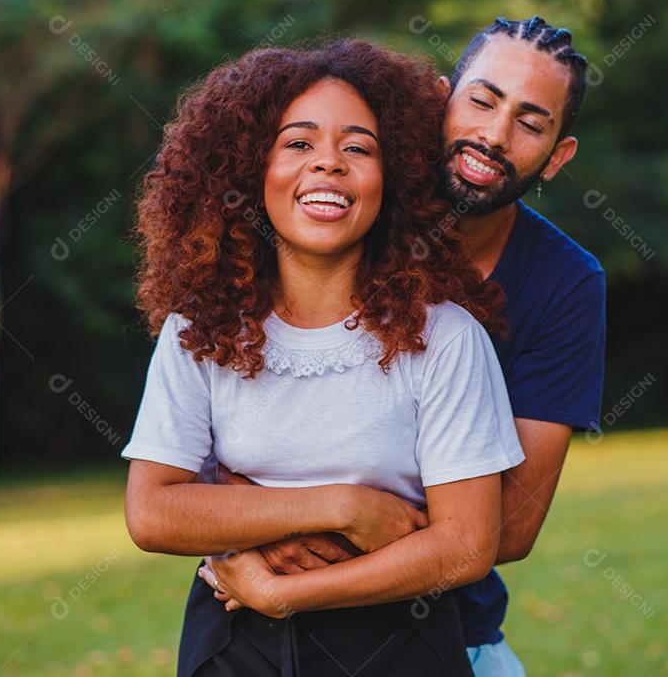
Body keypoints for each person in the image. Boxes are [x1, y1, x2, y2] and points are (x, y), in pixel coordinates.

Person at [206, 16, 606, 677]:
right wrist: (310, 518)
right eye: (482, 101)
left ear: (557, 156)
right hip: (255, 635)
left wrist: (293, 534)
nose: (493, 135)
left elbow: (513, 526)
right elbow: (197, 448)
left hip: (449, 636)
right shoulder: (338, 210)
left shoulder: (564, 283)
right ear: (443, 100)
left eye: (531, 123)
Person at [120, 39, 526, 676]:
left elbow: (467, 546)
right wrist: (343, 507)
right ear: (250, 171)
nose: (328, 165)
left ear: (393, 180)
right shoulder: (196, 332)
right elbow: (153, 512)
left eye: (358, 148)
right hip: (233, 640)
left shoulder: (446, 339)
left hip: (403, 645)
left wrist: (284, 592)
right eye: (299, 143)